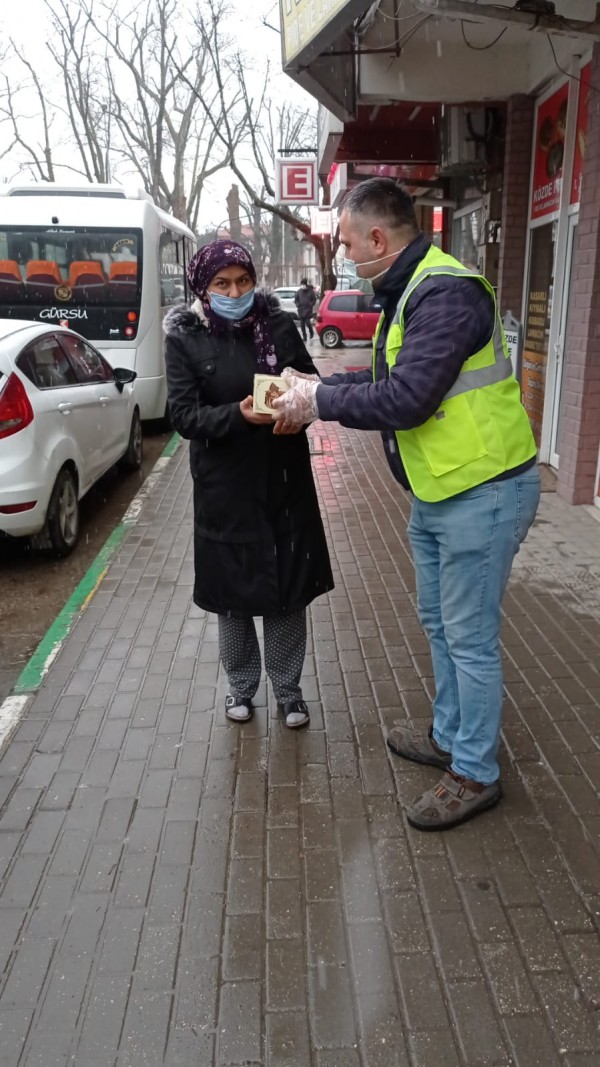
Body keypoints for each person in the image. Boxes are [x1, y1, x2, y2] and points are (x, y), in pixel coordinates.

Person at [272, 178, 540, 828]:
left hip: (484, 490)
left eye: (345, 244)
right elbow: (389, 377)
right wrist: (317, 383)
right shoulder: (408, 290)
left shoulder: (444, 293)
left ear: (376, 238)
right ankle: (450, 735)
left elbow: (409, 398)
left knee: (469, 638)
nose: (342, 256)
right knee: (441, 623)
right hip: (442, 489)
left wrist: (318, 403)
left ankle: (475, 771)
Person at [164, 240, 333, 729]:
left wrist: (300, 409)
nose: (235, 292)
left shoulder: (278, 326)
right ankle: (240, 686)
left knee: (286, 591)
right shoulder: (186, 339)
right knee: (233, 596)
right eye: (222, 283)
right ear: (204, 288)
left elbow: (310, 383)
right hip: (225, 487)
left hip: (283, 478)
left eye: (243, 281)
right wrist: (237, 415)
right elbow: (184, 415)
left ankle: (289, 691)